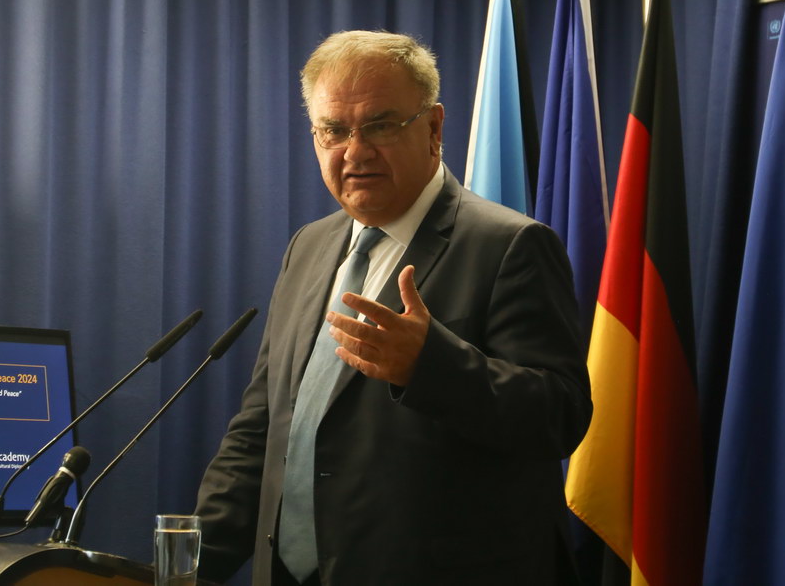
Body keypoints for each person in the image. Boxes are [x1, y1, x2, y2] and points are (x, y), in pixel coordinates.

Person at [195, 30, 592, 586]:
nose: (355, 151)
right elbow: (263, 429)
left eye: (380, 126)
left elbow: (560, 415)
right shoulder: (308, 247)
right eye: (334, 130)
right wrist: (189, 566)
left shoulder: (510, 246)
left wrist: (430, 365)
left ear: (433, 128)